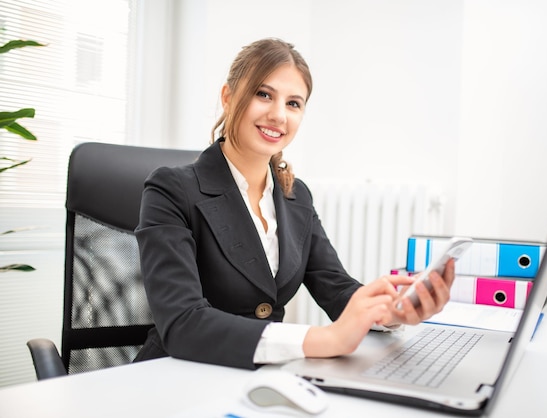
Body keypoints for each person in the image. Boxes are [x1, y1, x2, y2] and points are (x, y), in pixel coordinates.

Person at [134, 38, 455, 370]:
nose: (278, 115)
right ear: (228, 97)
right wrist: (327, 339)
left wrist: (388, 311)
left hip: (255, 378)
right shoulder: (171, 189)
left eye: (293, 104)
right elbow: (183, 323)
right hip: (174, 375)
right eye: (264, 95)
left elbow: (333, 285)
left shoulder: (295, 195)